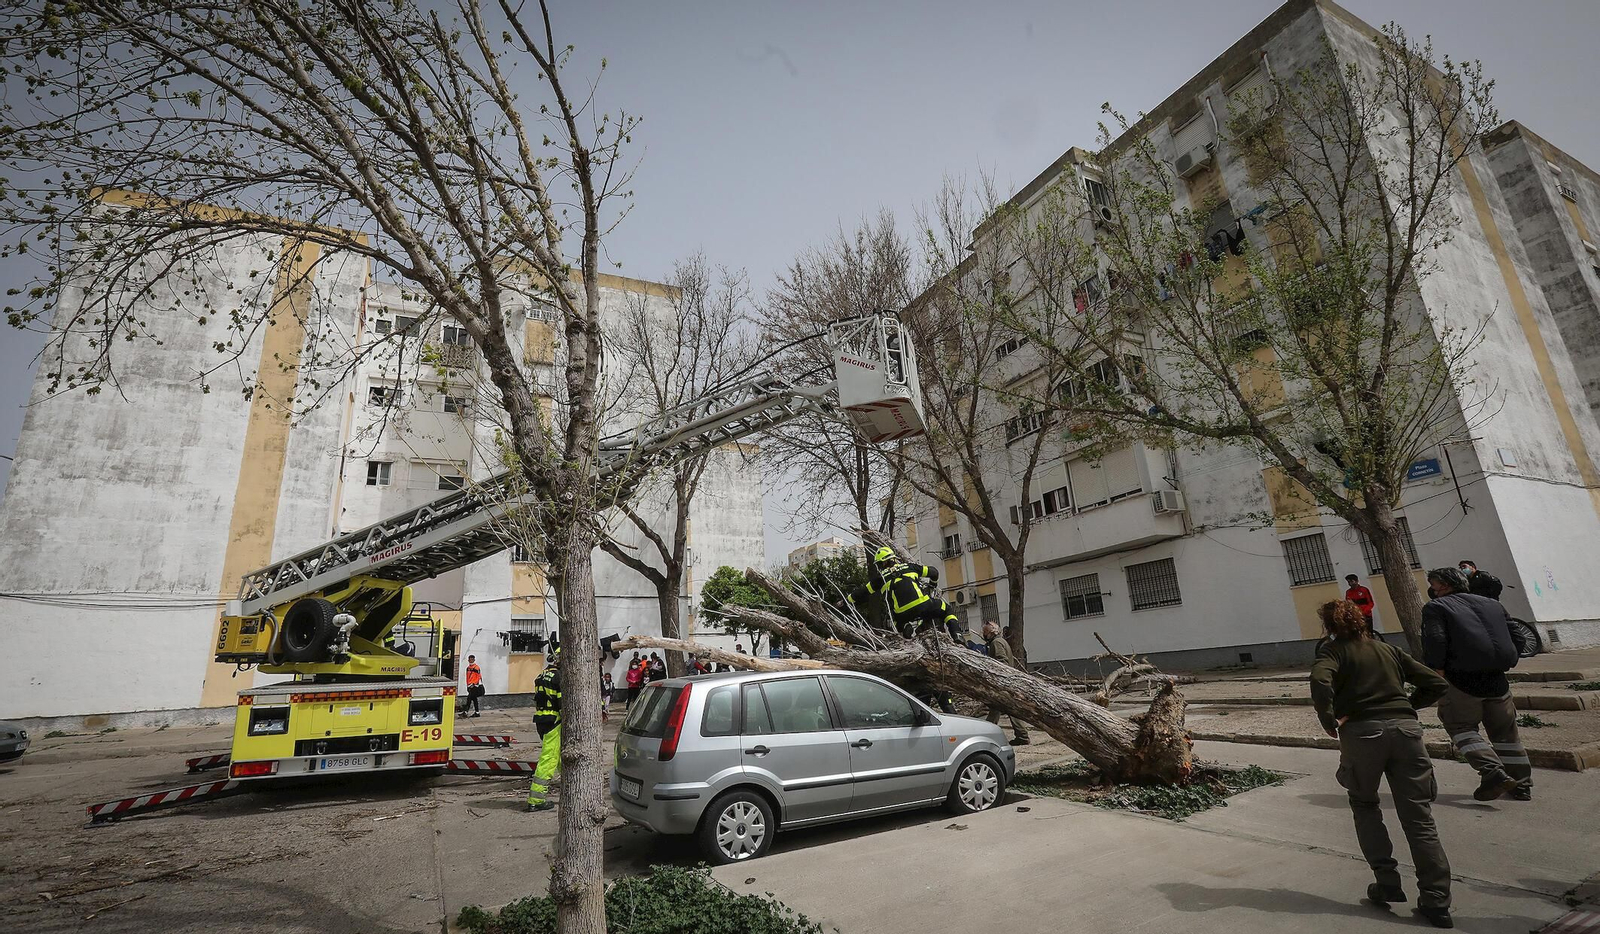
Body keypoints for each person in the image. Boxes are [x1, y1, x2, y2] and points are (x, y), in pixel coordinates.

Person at [1310, 599, 1453, 928]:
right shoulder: (1388, 650)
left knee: (1364, 803)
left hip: (1362, 734)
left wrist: (1329, 719)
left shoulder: (1332, 652)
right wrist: (1408, 706)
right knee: (1419, 817)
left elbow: (1320, 681)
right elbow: (1437, 683)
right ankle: (1436, 899)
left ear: (1328, 626)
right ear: (1361, 620)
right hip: (1406, 732)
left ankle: (1387, 881)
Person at [1424, 566, 1530, 802]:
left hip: (1461, 680)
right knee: (1507, 735)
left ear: (1445, 586)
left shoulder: (1436, 607)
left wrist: (1436, 670)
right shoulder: (1493, 604)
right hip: (1497, 680)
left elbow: (1435, 639)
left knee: (1461, 728)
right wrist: (1509, 659)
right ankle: (1522, 785)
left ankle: (1493, 772)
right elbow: (1519, 636)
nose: (1431, 589)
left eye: (1433, 585)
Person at [848, 547, 964, 643]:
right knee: (946, 608)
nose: (879, 568)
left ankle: (905, 627)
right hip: (922, 605)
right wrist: (932, 586)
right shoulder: (910, 567)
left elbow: (862, 593)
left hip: (902, 614)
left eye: (879, 565)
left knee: (894, 621)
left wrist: (846, 601)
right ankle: (957, 635)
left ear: (884, 562)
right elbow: (934, 572)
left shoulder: (880, 579)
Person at [981, 621, 1031, 745]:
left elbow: (1001, 660)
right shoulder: (1000, 641)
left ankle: (1021, 736)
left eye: (985, 632)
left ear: (991, 632)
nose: (983, 635)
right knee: (1000, 708)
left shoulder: (996, 643)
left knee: (1004, 708)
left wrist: (996, 675)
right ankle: (1022, 735)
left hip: (1003, 682)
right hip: (1006, 681)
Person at [528, 648, 562, 812]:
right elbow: (563, 704)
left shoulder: (540, 676)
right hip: (554, 721)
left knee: (561, 756)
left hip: (541, 719)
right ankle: (536, 799)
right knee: (549, 758)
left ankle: (569, 785)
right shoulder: (559, 677)